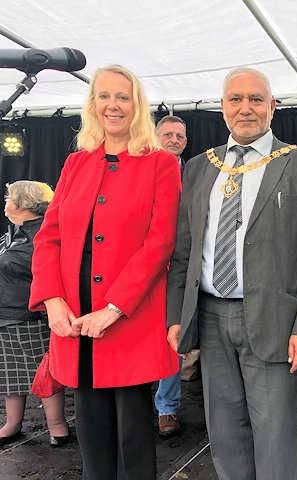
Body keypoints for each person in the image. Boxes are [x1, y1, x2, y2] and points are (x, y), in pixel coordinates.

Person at [166, 66, 297, 480]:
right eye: (235, 99)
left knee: (276, 439)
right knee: (224, 435)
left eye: (256, 99)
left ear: (272, 107)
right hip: (209, 316)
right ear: (222, 107)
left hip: (276, 321)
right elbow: (184, 250)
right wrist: (176, 315)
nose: (246, 108)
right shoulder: (200, 169)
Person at [29, 65, 181, 479]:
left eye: (123, 96)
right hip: (74, 324)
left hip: (127, 323)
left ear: (137, 105)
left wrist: (113, 307)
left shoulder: (161, 165)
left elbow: (160, 243)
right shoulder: (76, 163)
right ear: (92, 104)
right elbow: (48, 238)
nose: (113, 105)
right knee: (91, 441)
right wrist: (53, 300)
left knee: (134, 439)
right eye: (104, 96)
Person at [0, 180, 69, 448]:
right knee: (10, 374)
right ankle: (12, 423)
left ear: (21, 204)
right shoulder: (12, 233)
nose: (5, 202)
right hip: (6, 316)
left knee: (44, 374)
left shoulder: (43, 235)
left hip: (32, 317)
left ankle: (57, 425)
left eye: (8, 198)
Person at [154, 114, 188, 437]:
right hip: (145, 269)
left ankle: (167, 407)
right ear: (156, 137)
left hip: (177, 269)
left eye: (179, 136)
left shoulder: (192, 174)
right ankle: (136, 404)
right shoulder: (141, 170)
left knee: (172, 339)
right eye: (168, 134)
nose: (174, 140)